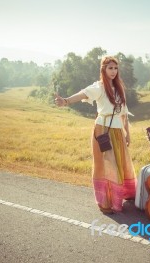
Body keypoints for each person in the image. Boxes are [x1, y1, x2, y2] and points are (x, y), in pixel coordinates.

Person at [54, 56, 136, 214]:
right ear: (103, 70)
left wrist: (127, 134)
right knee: (104, 165)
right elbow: (83, 94)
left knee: (119, 163)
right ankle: (104, 202)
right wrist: (66, 101)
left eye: (115, 68)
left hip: (118, 130)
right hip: (102, 130)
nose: (113, 71)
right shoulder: (99, 87)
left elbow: (124, 114)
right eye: (110, 68)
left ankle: (121, 195)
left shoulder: (119, 88)